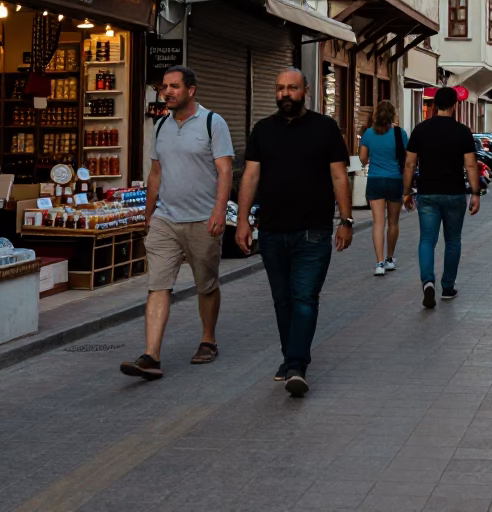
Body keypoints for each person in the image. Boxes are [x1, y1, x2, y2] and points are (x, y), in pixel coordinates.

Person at [236, 68, 352, 398]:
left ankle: (296, 365)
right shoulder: (262, 130)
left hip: (313, 231)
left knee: (304, 297)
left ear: (306, 90)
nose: (285, 94)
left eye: (292, 88)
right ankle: (292, 357)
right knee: (282, 300)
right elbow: (250, 178)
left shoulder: (325, 128)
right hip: (271, 230)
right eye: (280, 89)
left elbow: (340, 177)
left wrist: (345, 220)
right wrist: (243, 220)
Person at [121, 66, 234, 381]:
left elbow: (225, 171)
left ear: (191, 90)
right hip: (165, 220)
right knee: (158, 285)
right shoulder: (160, 126)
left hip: (202, 219)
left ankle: (208, 339)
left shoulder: (213, 123)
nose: (167, 92)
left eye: (173, 87)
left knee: (206, 284)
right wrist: (148, 212)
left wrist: (219, 211)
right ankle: (151, 355)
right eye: (163, 87)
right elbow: (156, 173)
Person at [403, 87, 480, 309]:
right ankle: (447, 287)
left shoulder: (420, 130)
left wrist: (406, 191)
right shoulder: (462, 131)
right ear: (455, 105)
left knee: (427, 240)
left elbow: (409, 164)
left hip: (428, 193)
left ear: (435, 105)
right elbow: (471, 164)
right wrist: (475, 192)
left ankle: (428, 281)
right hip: (454, 193)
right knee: (453, 241)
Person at [358, 100, 407, 276]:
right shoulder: (399, 133)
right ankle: (389, 259)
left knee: (378, 222)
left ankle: (379, 263)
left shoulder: (369, 134)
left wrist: (372, 159)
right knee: (393, 222)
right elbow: (407, 159)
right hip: (395, 180)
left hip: (375, 180)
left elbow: (363, 159)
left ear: (376, 114)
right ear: (393, 114)